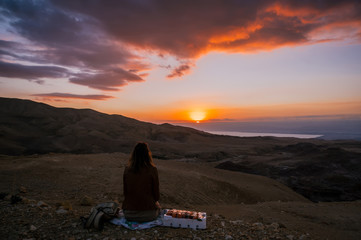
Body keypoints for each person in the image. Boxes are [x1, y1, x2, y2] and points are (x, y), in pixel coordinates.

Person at [122, 142, 161, 222]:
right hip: (149, 215)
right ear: (147, 154)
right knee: (158, 206)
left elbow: (125, 193)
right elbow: (156, 196)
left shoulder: (127, 170)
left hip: (129, 214)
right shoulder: (152, 170)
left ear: (134, 154)